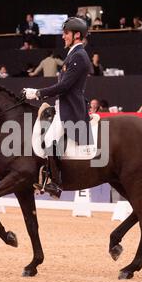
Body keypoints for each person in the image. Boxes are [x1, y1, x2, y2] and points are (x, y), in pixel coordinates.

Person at [23, 17, 92, 198]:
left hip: (71, 108)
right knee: (47, 139)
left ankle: (56, 183)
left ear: (77, 35)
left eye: (66, 33)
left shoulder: (79, 56)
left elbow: (64, 87)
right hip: (63, 106)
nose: (63, 36)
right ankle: (48, 178)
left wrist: (37, 93)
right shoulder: (72, 55)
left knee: (51, 139)